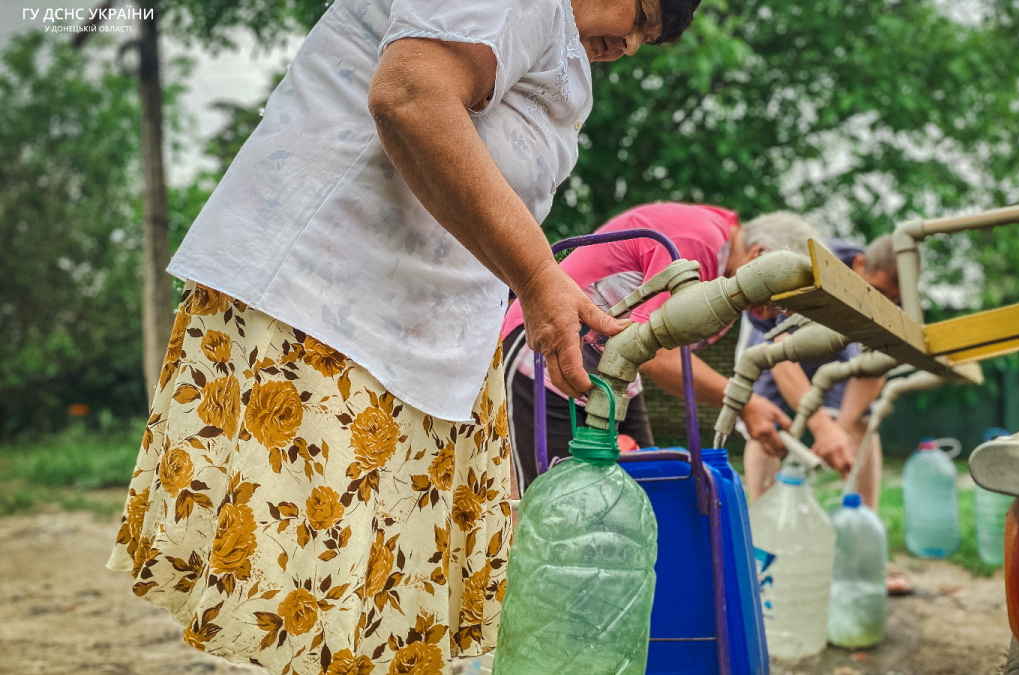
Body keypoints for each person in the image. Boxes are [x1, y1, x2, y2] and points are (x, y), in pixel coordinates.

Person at [107, 1, 701, 673]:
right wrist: (539, 276)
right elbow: (412, 95)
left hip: (424, 338)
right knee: (322, 602)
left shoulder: (559, 44)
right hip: (331, 309)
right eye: (642, 11)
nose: (628, 43)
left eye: (646, 38)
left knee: (381, 618)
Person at [500, 204, 819, 492]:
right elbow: (660, 359)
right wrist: (744, 402)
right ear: (761, 257)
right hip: (544, 355)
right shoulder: (699, 242)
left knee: (646, 490)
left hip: (613, 377)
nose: (773, 313)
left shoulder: (723, 272)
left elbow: (651, 350)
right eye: (777, 301)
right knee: (554, 507)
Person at [741, 234, 901, 509]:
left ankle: (863, 521)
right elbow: (779, 354)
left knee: (862, 419)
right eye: (879, 291)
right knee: (767, 422)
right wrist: (821, 427)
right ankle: (762, 528)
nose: (884, 302)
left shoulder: (897, 294)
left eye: (893, 299)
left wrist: (840, 428)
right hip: (778, 334)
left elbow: (877, 366)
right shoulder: (809, 264)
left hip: (841, 342)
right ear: (860, 264)